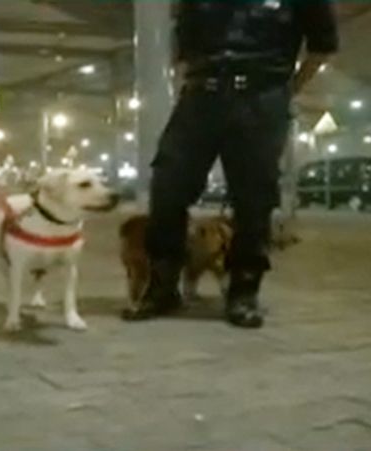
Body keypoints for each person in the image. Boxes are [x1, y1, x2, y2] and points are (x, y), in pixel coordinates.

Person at [122, 0, 338, 328]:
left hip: (262, 97)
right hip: (200, 96)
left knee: (254, 199)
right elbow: (184, 45)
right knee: (167, 184)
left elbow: (322, 47)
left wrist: (286, 91)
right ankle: (163, 286)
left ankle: (244, 291)